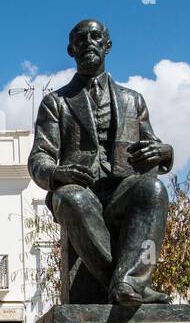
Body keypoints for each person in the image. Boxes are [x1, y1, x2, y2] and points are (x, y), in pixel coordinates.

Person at [28, 18, 175, 308]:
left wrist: (165, 152)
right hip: (82, 192)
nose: (87, 44)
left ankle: (129, 283)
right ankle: (125, 285)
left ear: (107, 45)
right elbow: (38, 157)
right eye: (80, 40)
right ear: (71, 50)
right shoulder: (56, 102)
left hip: (123, 190)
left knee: (153, 190)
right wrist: (58, 173)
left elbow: (152, 145)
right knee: (71, 197)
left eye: (94, 37)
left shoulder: (133, 100)